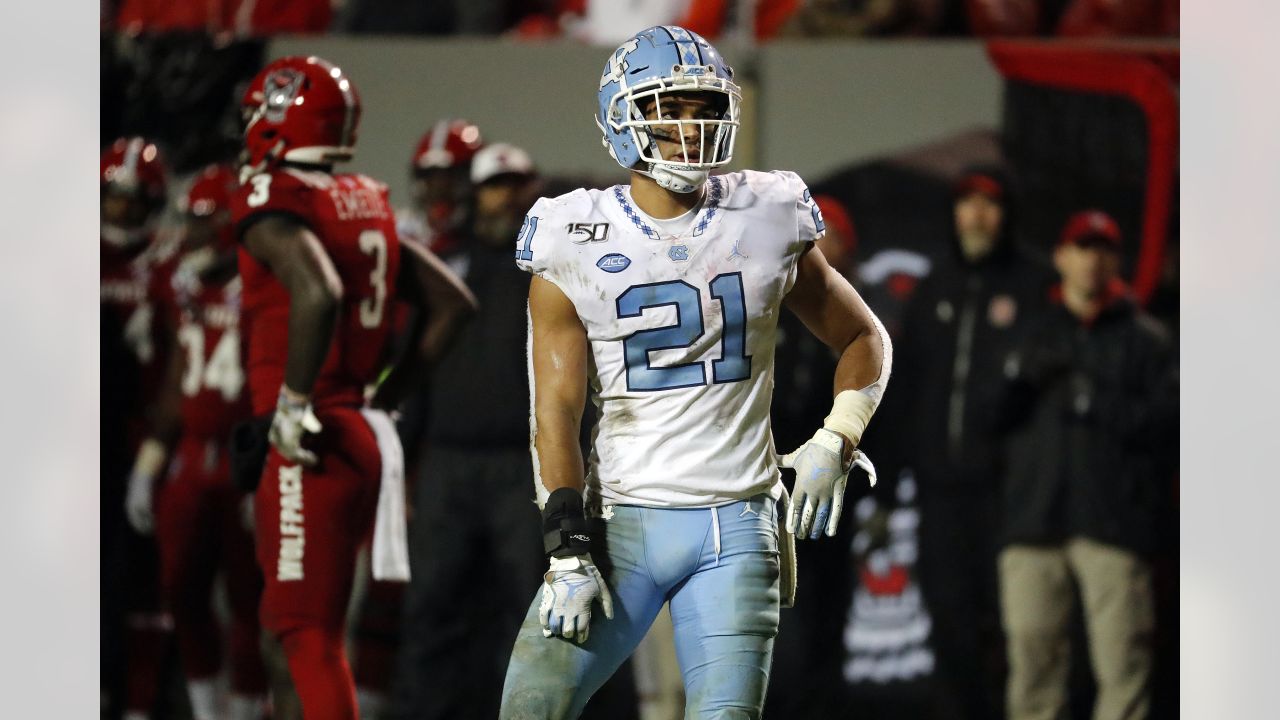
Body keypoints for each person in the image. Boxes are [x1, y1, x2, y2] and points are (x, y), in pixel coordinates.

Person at [499, 26, 892, 719]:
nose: (689, 127)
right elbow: (554, 410)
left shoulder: (768, 211)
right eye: (668, 108)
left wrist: (840, 435)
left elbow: (863, 335)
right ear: (624, 116)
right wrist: (566, 548)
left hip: (738, 525)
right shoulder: (573, 233)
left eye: (703, 108)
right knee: (530, 708)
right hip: (622, 521)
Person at [231, 55, 476, 719]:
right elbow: (454, 305)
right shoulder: (364, 197)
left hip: (309, 439)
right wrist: (387, 395)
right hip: (356, 430)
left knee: (302, 636)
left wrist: (293, 402)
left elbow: (319, 292)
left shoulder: (276, 197)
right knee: (290, 632)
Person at [386, 141, 548, 720]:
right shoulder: (445, 261)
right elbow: (416, 363)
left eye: (516, 183)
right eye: (495, 185)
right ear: (475, 192)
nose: (507, 196)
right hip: (447, 464)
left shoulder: (550, 268)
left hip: (521, 467)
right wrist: (400, 463)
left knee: (528, 613)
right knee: (431, 605)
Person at [997, 209, 1175, 720]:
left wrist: (1099, 403)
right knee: (1033, 669)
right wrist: (1017, 379)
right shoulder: (1030, 332)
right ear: (1060, 257)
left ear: (1115, 260)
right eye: (1081, 247)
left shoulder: (1146, 338)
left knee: (1123, 670)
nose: (1091, 259)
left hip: (1113, 522)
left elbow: (1171, 425)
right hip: (1034, 521)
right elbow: (989, 419)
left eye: (1102, 249)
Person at [884, 166, 1047, 720]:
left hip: (1007, 494)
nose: (977, 216)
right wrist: (885, 489)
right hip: (940, 492)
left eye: (990, 205)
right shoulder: (936, 287)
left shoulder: (1032, 286)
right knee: (948, 619)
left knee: (1011, 625)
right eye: (967, 204)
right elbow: (906, 387)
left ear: (1007, 216)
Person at [123, 164, 268, 720]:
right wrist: (148, 463)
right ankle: (208, 710)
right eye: (192, 223)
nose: (193, 236)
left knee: (246, 602)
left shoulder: (264, 286)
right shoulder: (179, 282)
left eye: (205, 225)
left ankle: (249, 709)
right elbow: (175, 382)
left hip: (242, 457)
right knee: (180, 588)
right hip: (189, 456)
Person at [100, 136, 178, 720]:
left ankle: (140, 701)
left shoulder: (169, 265)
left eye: (133, 199)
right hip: (83, 444)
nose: (121, 209)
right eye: (113, 197)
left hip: (147, 441)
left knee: (148, 583)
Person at [398, 118, 485, 264]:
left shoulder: (492, 243)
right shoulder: (403, 234)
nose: (439, 189)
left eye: (450, 178)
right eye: (430, 178)